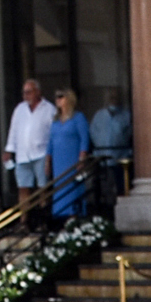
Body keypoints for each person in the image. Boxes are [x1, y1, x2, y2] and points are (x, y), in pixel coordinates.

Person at [3, 77, 52, 212]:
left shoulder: (49, 109)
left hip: (41, 153)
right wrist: (9, 149)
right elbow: (13, 130)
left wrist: (50, 155)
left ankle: (43, 220)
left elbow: (52, 134)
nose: (26, 95)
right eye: (24, 92)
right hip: (23, 154)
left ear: (37, 92)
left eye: (29, 92)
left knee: (42, 187)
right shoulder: (20, 109)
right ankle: (24, 221)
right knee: (23, 188)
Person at [47, 89, 91, 220]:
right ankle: (63, 218)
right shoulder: (55, 121)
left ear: (69, 99)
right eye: (56, 97)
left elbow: (84, 139)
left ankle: (73, 218)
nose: (58, 100)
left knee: (72, 189)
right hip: (58, 161)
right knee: (60, 188)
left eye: (61, 97)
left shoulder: (78, 118)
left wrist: (82, 158)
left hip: (72, 159)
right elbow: (51, 141)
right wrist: (47, 160)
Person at [89, 88, 133, 191]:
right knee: (103, 189)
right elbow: (93, 133)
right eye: (111, 97)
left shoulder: (126, 115)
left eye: (116, 97)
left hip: (120, 159)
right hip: (102, 159)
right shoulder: (99, 115)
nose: (114, 99)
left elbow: (130, 134)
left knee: (121, 188)